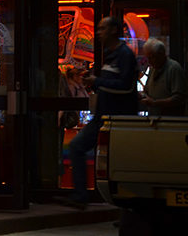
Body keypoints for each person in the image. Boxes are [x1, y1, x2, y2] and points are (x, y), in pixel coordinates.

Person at [58, 16, 138, 210]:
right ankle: (82, 195)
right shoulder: (110, 55)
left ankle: (128, 207)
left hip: (116, 119)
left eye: (102, 29)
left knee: (120, 161)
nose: (98, 32)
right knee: (78, 147)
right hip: (102, 118)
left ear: (113, 31)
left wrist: (97, 82)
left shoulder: (124, 55)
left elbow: (126, 86)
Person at [139, 38, 184, 116]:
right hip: (154, 118)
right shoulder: (153, 69)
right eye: (147, 58)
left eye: (151, 57)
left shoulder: (174, 68)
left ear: (161, 54)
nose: (149, 61)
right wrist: (142, 95)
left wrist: (155, 103)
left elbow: (178, 98)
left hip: (170, 120)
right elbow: (148, 91)